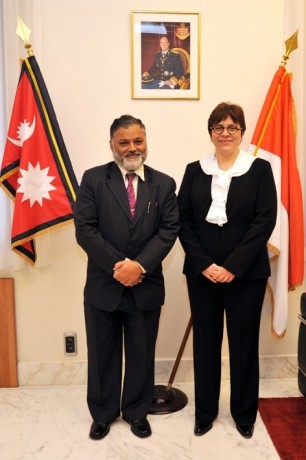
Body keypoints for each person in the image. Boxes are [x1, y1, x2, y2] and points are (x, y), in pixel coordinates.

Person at [73, 114, 180, 440]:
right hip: (104, 286)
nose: (132, 148)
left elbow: (169, 229)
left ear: (146, 141)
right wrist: (120, 266)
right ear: (112, 145)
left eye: (138, 141)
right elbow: (85, 230)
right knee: (102, 353)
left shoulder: (164, 183)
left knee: (141, 354)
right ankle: (103, 414)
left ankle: (136, 411)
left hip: (145, 286)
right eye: (124, 142)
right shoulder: (93, 180)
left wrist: (140, 266)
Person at [178, 102, 277, 439]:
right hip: (201, 273)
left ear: (242, 132)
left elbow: (265, 222)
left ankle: (245, 413)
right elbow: (184, 221)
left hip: (247, 275)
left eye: (232, 127)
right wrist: (205, 264)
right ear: (210, 133)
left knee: (244, 342)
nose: (225, 133)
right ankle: (205, 413)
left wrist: (232, 266)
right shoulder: (194, 170)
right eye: (218, 127)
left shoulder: (260, 169)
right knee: (206, 342)